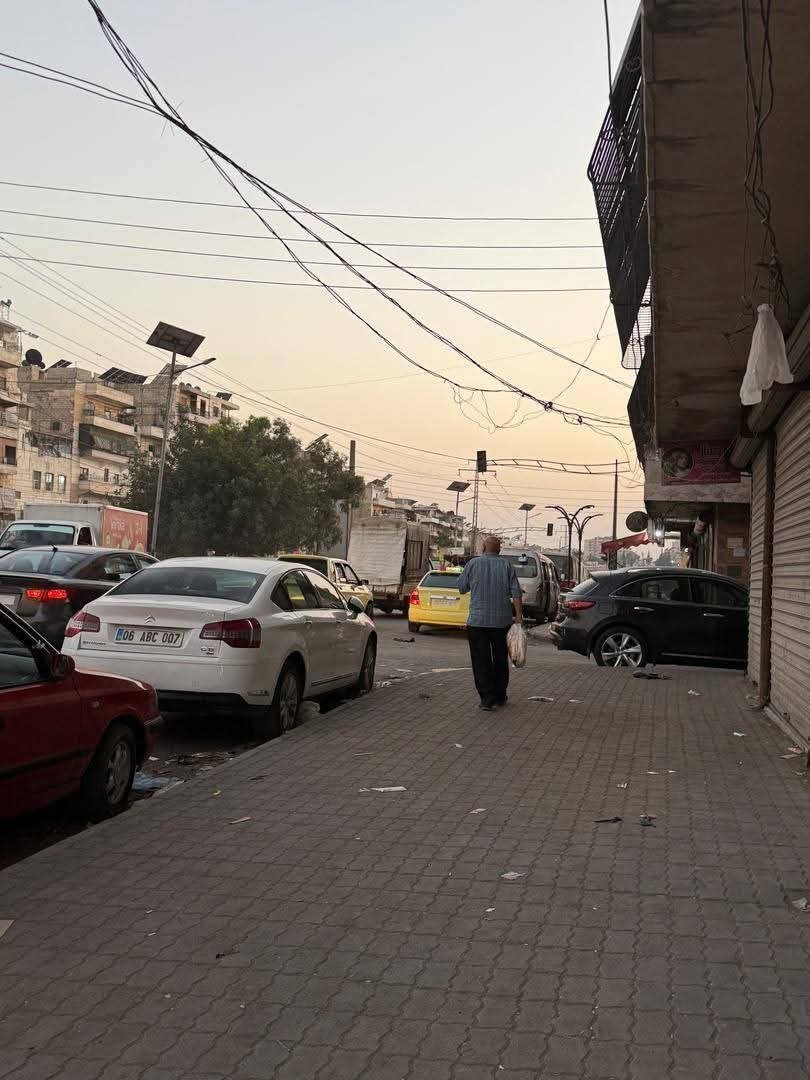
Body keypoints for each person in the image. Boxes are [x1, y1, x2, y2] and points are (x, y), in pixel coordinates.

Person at [457, 535, 523, 710]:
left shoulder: (472, 564)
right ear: (499, 550)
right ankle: (500, 695)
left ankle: (486, 698)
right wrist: (518, 615)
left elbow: (462, 588)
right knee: (500, 658)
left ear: (483, 548)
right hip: (502, 622)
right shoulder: (506, 565)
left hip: (477, 622)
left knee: (481, 660)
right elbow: (516, 592)